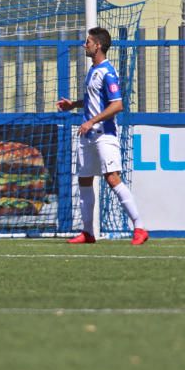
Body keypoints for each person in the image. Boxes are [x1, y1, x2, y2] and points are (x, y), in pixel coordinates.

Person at [58, 27, 147, 245]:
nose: (84, 45)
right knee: (84, 180)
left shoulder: (108, 72)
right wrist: (75, 104)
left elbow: (117, 105)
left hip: (104, 134)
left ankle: (139, 227)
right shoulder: (93, 70)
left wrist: (91, 121)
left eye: (87, 42)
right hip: (88, 135)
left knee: (112, 178)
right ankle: (88, 232)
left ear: (98, 45)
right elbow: (94, 100)